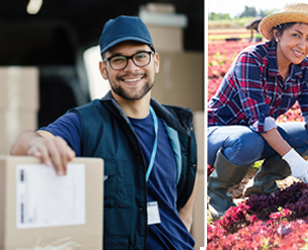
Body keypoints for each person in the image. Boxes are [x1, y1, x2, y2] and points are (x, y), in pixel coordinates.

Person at [10, 16, 197, 249]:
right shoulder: (84, 122)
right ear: (103, 69)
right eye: (118, 59)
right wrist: (35, 145)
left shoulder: (179, 127)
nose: (132, 67)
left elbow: (185, 215)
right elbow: (23, 143)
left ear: (155, 62)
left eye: (140, 56)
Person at [207, 3, 308, 219]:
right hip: (216, 133)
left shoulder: (304, 66)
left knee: (306, 138)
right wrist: (294, 161)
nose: (302, 45)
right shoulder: (251, 59)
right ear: (277, 33)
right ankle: (218, 192)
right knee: (249, 140)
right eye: (296, 35)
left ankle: (261, 186)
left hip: (253, 133)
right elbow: (260, 121)